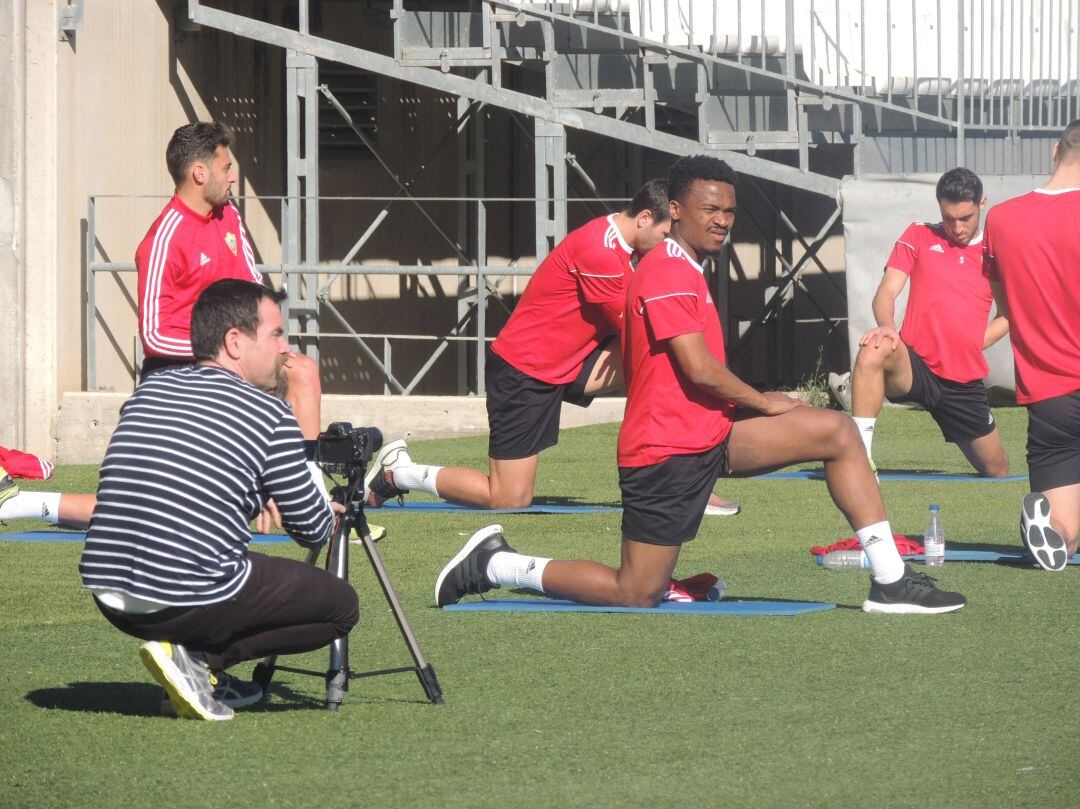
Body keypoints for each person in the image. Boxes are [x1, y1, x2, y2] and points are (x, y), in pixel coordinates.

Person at [434, 155, 967, 614]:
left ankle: (891, 580)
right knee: (635, 591)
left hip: (710, 434)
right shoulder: (665, 269)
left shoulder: (687, 264)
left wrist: (759, 410)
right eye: (710, 210)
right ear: (675, 211)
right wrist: (765, 401)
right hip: (664, 450)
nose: (722, 221)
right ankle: (498, 563)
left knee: (838, 433)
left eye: (729, 211)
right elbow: (699, 368)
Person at [1, 121, 324, 530]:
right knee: (146, 515)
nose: (233, 176)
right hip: (180, 376)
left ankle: (313, 504)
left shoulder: (229, 215)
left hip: (233, 365)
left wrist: (266, 343)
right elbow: (153, 334)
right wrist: (219, 354)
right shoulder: (162, 240)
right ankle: (26, 503)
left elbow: (252, 286)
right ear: (199, 173)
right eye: (227, 167)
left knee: (303, 373)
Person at [365, 180, 740, 517]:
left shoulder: (628, 245)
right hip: (524, 372)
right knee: (508, 497)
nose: (669, 246)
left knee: (667, 364)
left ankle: (682, 484)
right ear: (644, 218)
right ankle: (398, 473)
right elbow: (646, 323)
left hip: (568, 363)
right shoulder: (602, 255)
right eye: (666, 235)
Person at [78, 280, 358, 720]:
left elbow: (187, 481)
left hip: (108, 588)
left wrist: (253, 494)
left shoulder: (151, 390)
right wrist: (314, 472)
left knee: (222, 561)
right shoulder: (268, 413)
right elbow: (314, 528)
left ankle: (193, 662)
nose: (286, 348)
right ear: (234, 342)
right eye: (275, 334)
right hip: (177, 596)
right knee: (341, 605)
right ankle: (202, 663)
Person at [850, 168, 1009, 478]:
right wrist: (887, 327)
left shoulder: (994, 254)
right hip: (915, 365)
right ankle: (859, 457)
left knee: (997, 470)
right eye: (949, 218)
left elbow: (1008, 315)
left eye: (965, 217)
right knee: (874, 346)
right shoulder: (919, 235)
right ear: (939, 207)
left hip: (961, 383)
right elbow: (885, 293)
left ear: (982, 204)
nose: (957, 227)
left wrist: (972, 342)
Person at [983, 120, 1080, 571]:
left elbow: (1006, 307)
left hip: (1050, 392)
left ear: (1054, 151)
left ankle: (1053, 533)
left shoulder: (1001, 219)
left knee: (1066, 532)